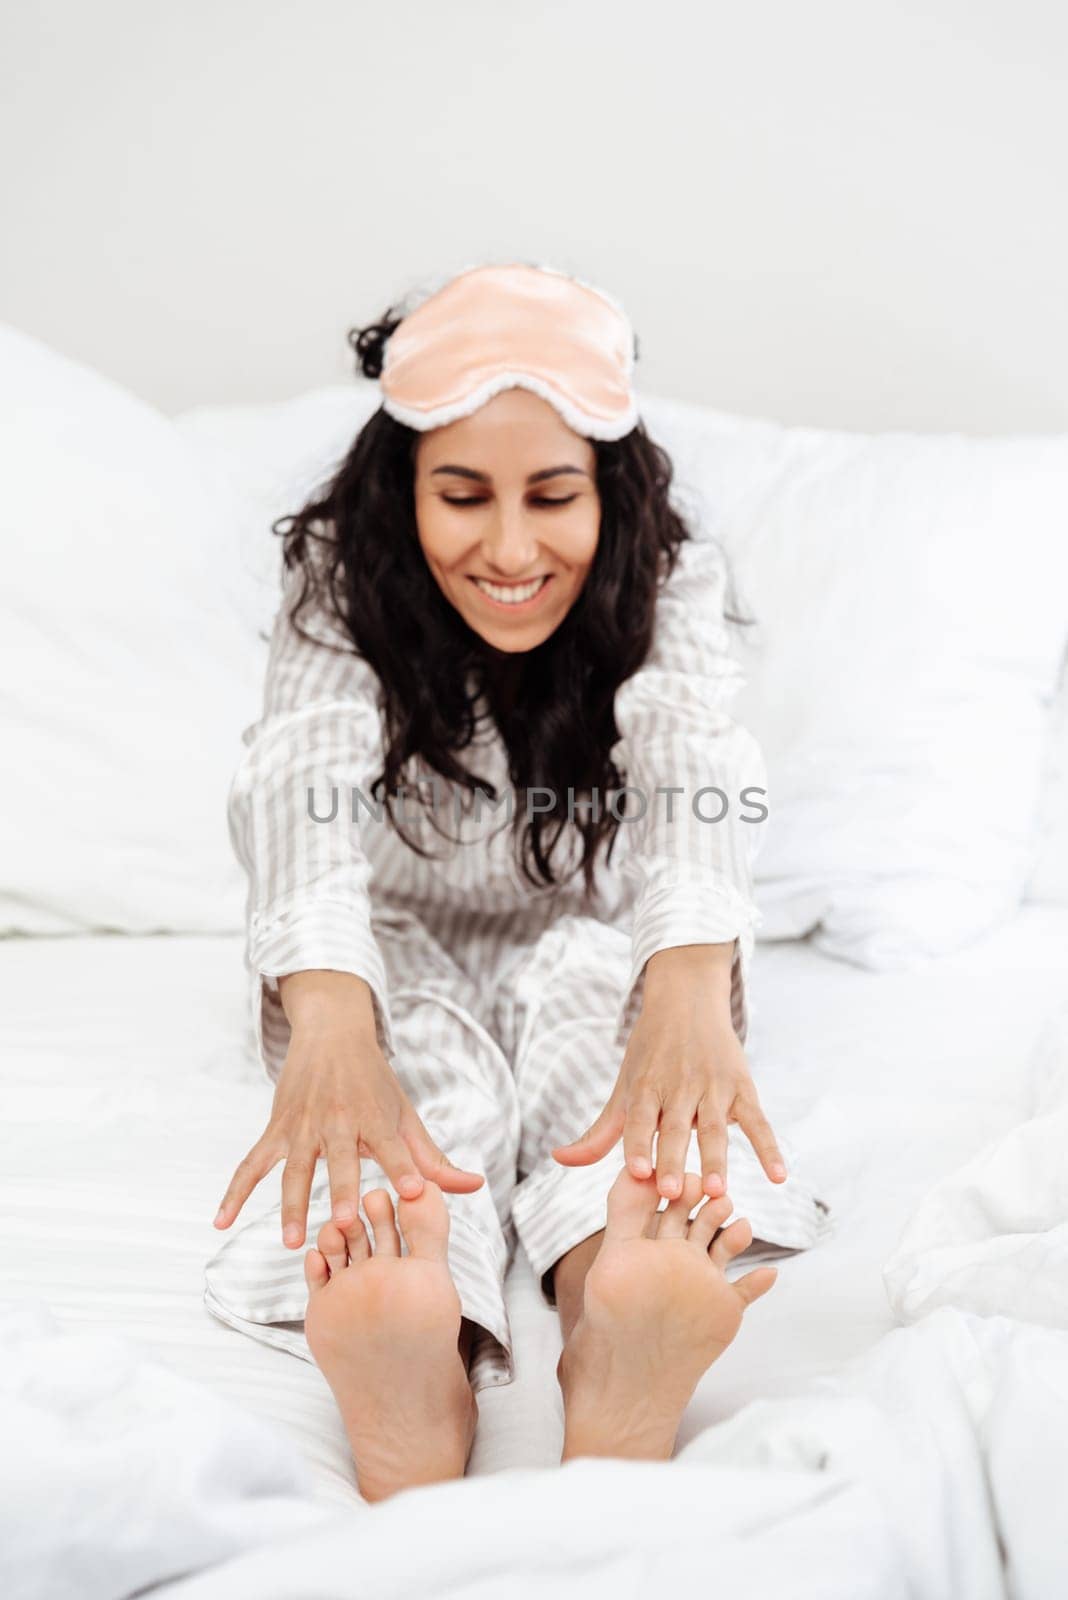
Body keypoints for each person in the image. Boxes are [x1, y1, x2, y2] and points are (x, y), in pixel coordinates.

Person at [204, 260, 830, 1503]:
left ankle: (618, 1314)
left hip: (596, 931)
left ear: (610, 491)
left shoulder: (667, 577)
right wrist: (327, 1013)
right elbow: (299, 783)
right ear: (404, 491)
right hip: (385, 948)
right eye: (461, 495)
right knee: (406, 1092)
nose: (507, 547)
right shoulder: (339, 587)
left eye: (552, 497)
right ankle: (408, 1337)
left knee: (610, 1069)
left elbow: (693, 763)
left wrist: (693, 986)